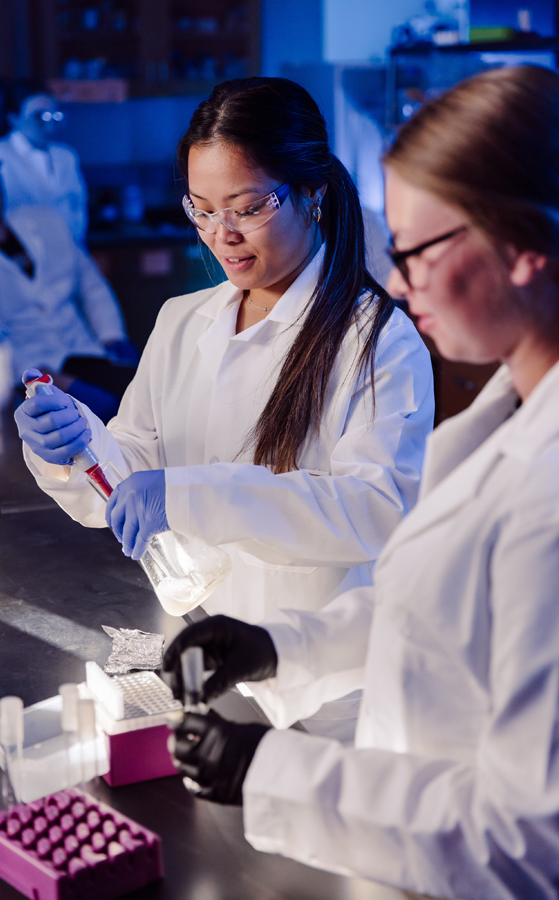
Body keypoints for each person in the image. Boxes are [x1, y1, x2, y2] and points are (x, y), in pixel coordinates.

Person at [162, 65, 559, 900]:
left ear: (524, 247)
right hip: (402, 825)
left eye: (417, 249)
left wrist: (277, 773)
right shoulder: (510, 411)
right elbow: (436, 602)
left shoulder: (547, 494)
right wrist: (284, 645)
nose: (400, 278)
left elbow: (528, 840)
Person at [15, 77, 433, 739]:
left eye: (247, 207)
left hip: (325, 694)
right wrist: (71, 446)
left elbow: (373, 512)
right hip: (201, 654)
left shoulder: (376, 338)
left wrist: (187, 496)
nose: (222, 234)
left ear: (313, 193)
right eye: (202, 209)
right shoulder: (182, 321)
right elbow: (130, 482)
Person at [0, 142, 139, 422]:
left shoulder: (44, 220)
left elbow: (91, 285)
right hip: (30, 380)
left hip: (89, 353)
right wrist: (50, 381)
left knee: (161, 401)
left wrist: (112, 336)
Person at [0, 93, 88, 244]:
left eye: (54, 116)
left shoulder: (66, 155)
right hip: (22, 251)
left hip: (69, 247)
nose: (49, 125)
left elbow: (78, 205)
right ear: (13, 118)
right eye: (39, 116)